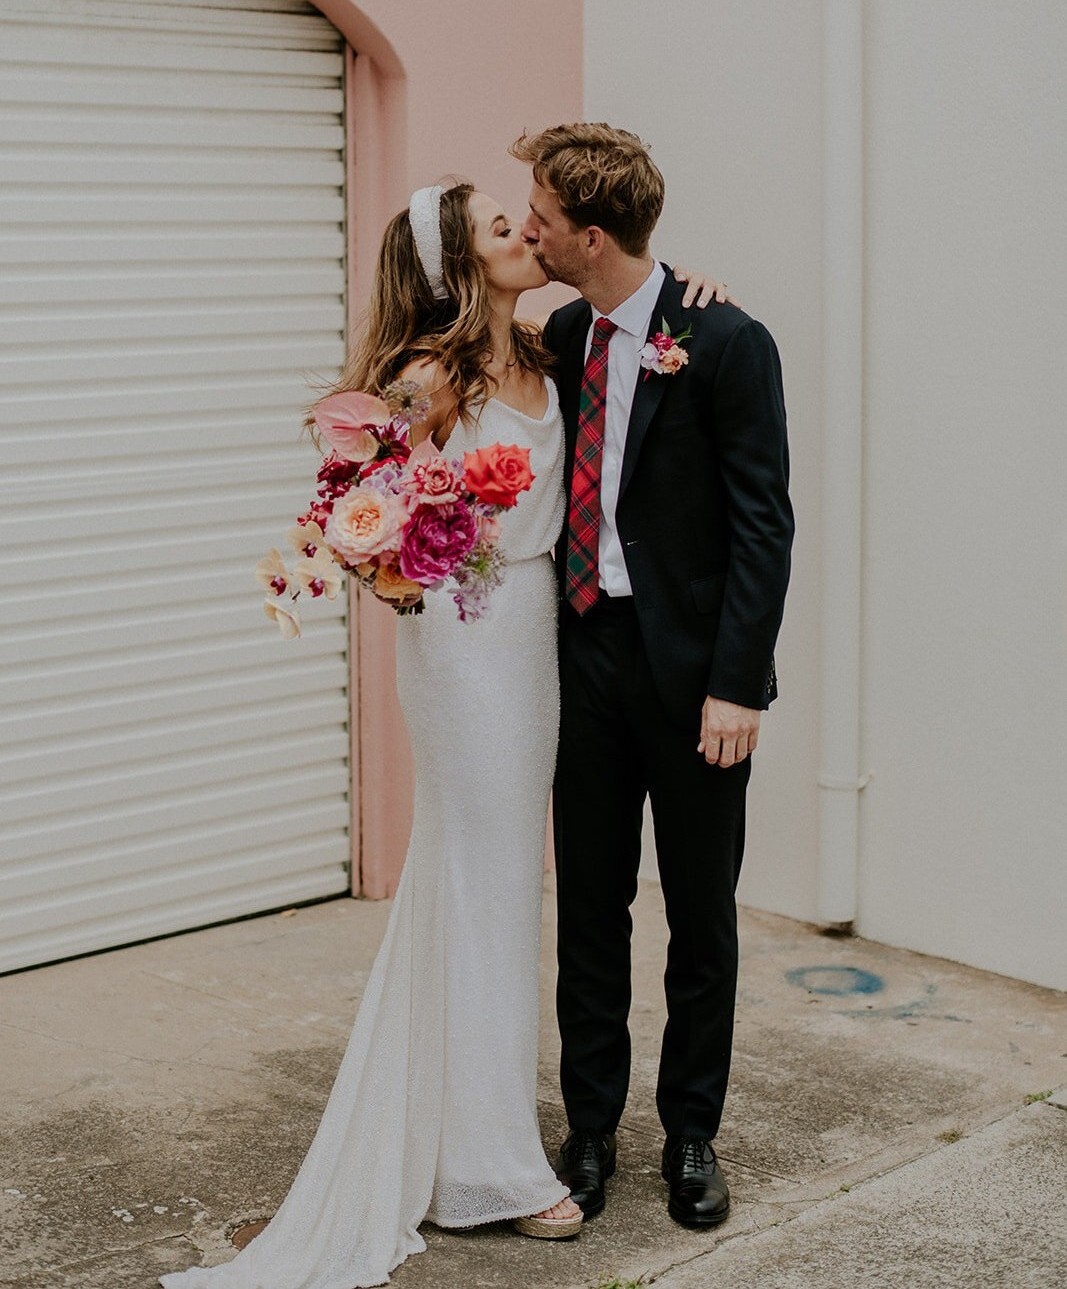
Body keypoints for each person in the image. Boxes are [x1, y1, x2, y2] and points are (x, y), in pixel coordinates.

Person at [161, 180, 724, 1289]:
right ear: (458, 267)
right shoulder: (425, 379)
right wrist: (409, 564)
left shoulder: (550, 346)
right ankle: (488, 1165)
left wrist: (689, 295)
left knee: (499, 884)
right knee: (481, 881)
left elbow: (638, 326)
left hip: (539, 637)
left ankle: (468, 1126)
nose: (525, 234)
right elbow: (348, 512)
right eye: (500, 229)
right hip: (467, 645)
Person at [511, 123, 794, 1229]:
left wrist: (739, 684)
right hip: (581, 656)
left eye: (541, 218)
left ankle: (689, 1133)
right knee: (589, 906)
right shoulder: (561, 329)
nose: (528, 230)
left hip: (694, 678)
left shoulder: (725, 340)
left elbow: (763, 525)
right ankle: (588, 1129)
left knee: (699, 915)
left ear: (590, 236)